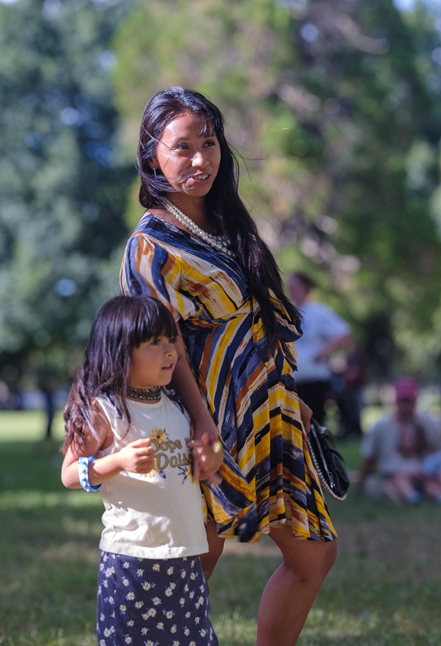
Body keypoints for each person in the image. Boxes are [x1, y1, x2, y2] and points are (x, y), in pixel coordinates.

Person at [121, 87, 337, 646]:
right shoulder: (149, 247)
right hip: (207, 424)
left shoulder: (228, 225)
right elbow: (163, 350)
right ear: (152, 158)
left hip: (270, 410)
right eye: (182, 148)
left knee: (313, 555)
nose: (199, 160)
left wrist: (289, 393)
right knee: (194, 569)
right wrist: (203, 425)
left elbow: (259, 324)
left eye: (209, 144)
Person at [60, 295, 220, 645]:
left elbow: (201, 470)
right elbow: (69, 473)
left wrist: (209, 462)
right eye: (155, 343)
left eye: (170, 341)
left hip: (185, 554)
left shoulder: (176, 407)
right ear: (121, 352)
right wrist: (116, 462)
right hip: (132, 559)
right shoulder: (105, 410)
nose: (170, 352)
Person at [358, 377, 441, 501]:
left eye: (408, 400)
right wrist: (362, 483)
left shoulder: (431, 424)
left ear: (415, 400)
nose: (405, 404)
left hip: (422, 475)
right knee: (373, 485)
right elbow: (369, 458)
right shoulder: (380, 426)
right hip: (390, 475)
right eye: (402, 400)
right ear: (396, 400)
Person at [286, 271, 353, 427]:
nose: (291, 291)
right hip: (294, 380)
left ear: (305, 288)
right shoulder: (290, 313)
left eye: (294, 287)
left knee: (314, 425)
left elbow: (344, 333)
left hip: (314, 379)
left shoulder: (318, 311)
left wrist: (323, 352)